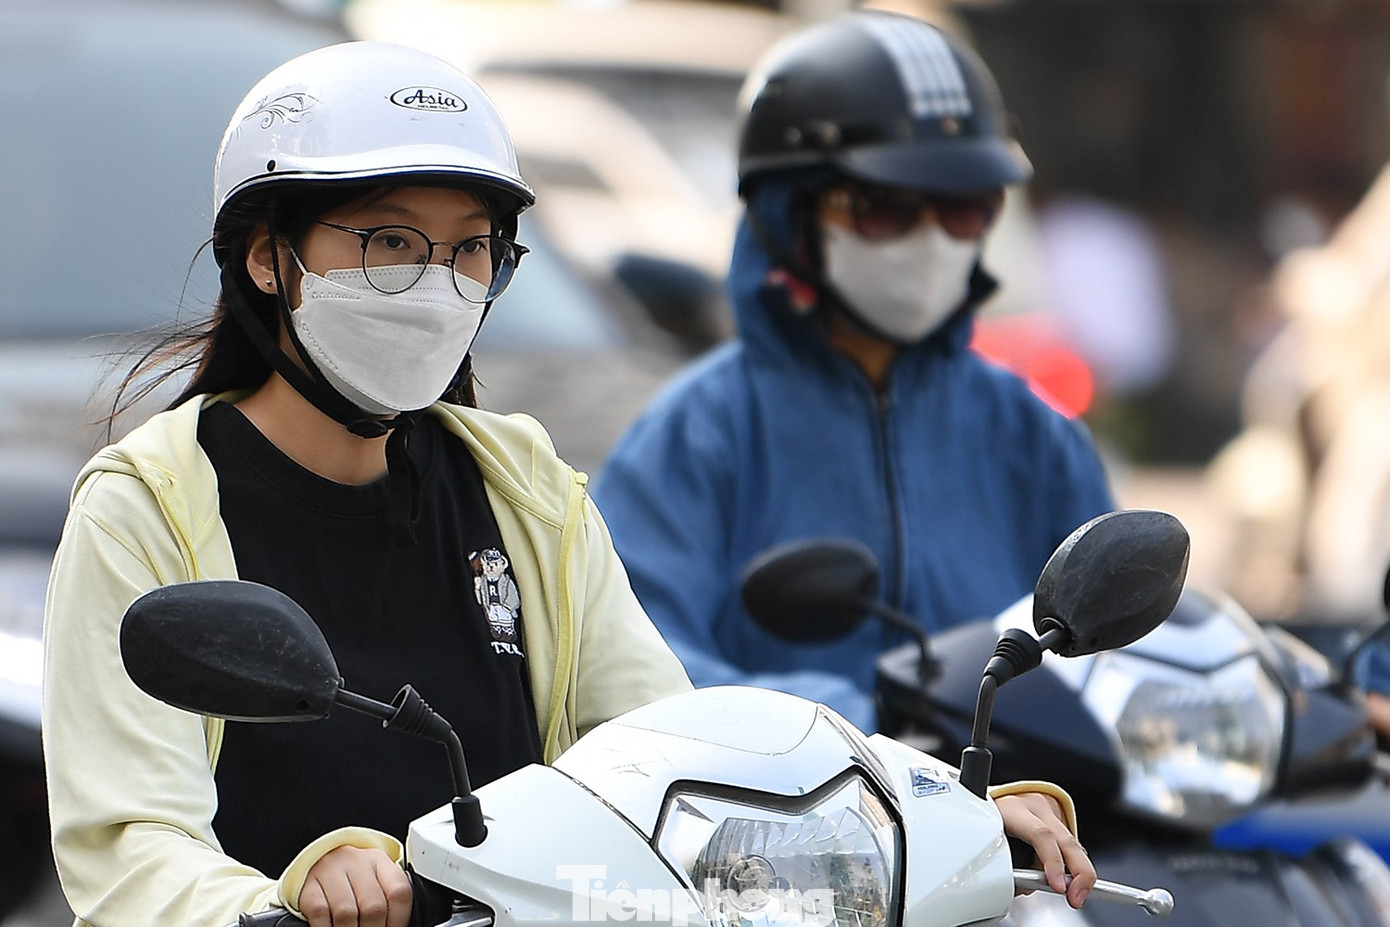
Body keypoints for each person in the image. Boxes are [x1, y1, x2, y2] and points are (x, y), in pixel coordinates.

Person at [42, 38, 1093, 927]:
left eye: (471, 251)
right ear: (268, 257)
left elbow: (682, 747)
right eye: (390, 243)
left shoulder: (523, 488)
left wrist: (935, 808)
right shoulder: (148, 508)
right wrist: (282, 895)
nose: (439, 285)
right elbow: (131, 845)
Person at [593, 13, 1115, 743]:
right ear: (787, 213)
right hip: (780, 808)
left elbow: (1114, 661)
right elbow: (634, 670)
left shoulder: (1034, 435)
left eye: (965, 209)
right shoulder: (691, 438)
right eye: (882, 208)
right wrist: (869, 724)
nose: (931, 241)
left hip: (1018, 805)